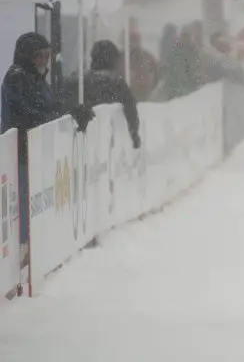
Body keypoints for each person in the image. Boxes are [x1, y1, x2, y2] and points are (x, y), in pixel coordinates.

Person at [1, 33, 93, 262]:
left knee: (35, 202)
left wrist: (72, 110)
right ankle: (19, 252)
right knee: (20, 205)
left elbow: (49, 106)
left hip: (35, 153)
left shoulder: (37, 79)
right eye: (39, 56)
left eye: (47, 55)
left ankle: (32, 249)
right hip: (19, 153)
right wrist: (59, 114)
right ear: (28, 57)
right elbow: (30, 115)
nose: (45, 61)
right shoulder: (17, 78)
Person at [64, 40, 141, 149]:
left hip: (75, 140)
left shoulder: (77, 80)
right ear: (113, 60)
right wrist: (134, 133)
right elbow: (130, 106)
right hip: (101, 142)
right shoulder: (116, 83)